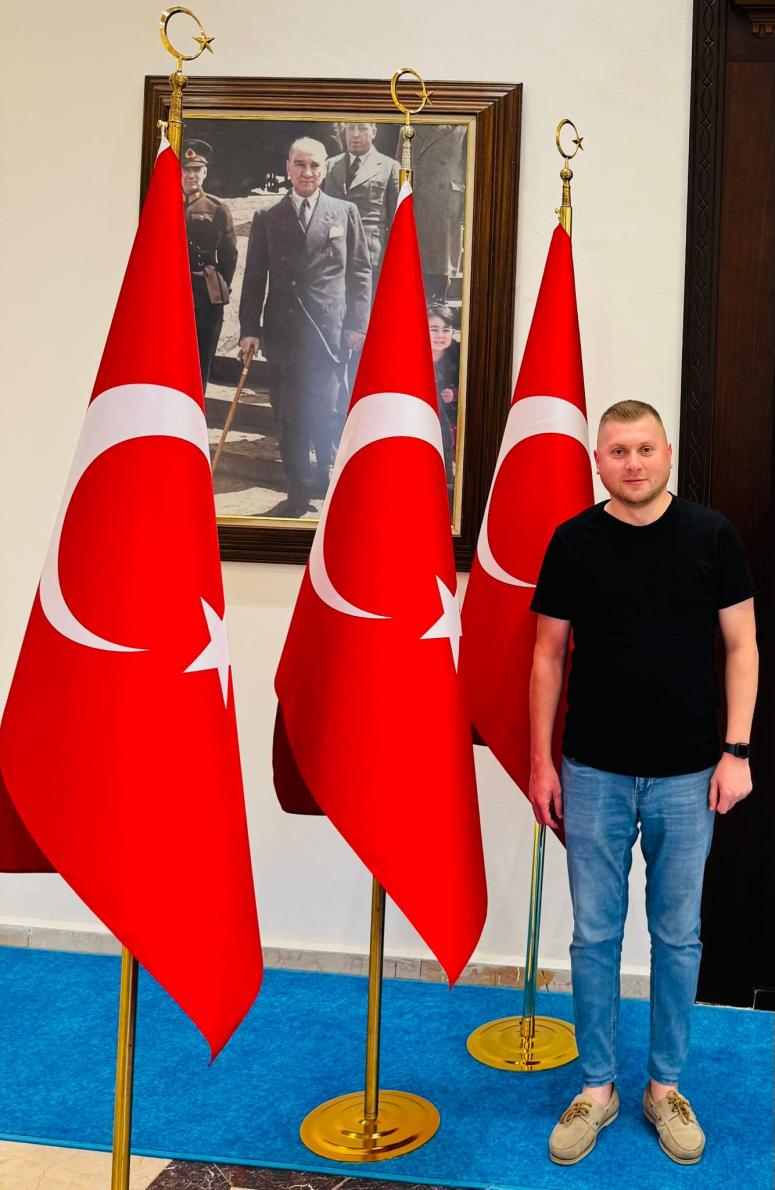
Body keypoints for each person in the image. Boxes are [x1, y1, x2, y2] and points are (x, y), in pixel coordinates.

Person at [528, 401, 757, 1168]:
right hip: (591, 770)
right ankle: (597, 1087)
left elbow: (742, 645)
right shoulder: (572, 542)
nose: (633, 463)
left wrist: (736, 750)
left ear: (667, 454)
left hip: (688, 774)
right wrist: (539, 762)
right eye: (618, 451)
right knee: (593, 936)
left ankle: (663, 1088)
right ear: (598, 460)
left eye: (644, 449)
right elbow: (545, 656)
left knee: (676, 937)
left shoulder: (710, 536)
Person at [238, 137, 371, 516]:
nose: (307, 172)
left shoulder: (344, 212)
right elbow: (254, 277)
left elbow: (360, 272)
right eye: (299, 164)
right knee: (288, 416)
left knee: (329, 412)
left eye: (314, 165)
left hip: (329, 333)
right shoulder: (268, 216)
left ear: (325, 169)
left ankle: (331, 486)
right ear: (287, 168)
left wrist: (357, 323)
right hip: (284, 332)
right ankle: (297, 492)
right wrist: (249, 329)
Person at [181, 140, 238, 391]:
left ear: (205, 172)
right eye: (186, 169)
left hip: (204, 296)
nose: (191, 175)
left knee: (201, 359)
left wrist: (219, 285)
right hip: (171, 292)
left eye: (196, 169)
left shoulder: (217, 208)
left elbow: (229, 254)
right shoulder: (165, 204)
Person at [324, 122, 400, 274]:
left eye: (362, 128)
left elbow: (397, 220)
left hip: (371, 255)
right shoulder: (330, 165)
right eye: (351, 128)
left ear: (374, 132)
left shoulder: (390, 166)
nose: (355, 134)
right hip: (333, 253)